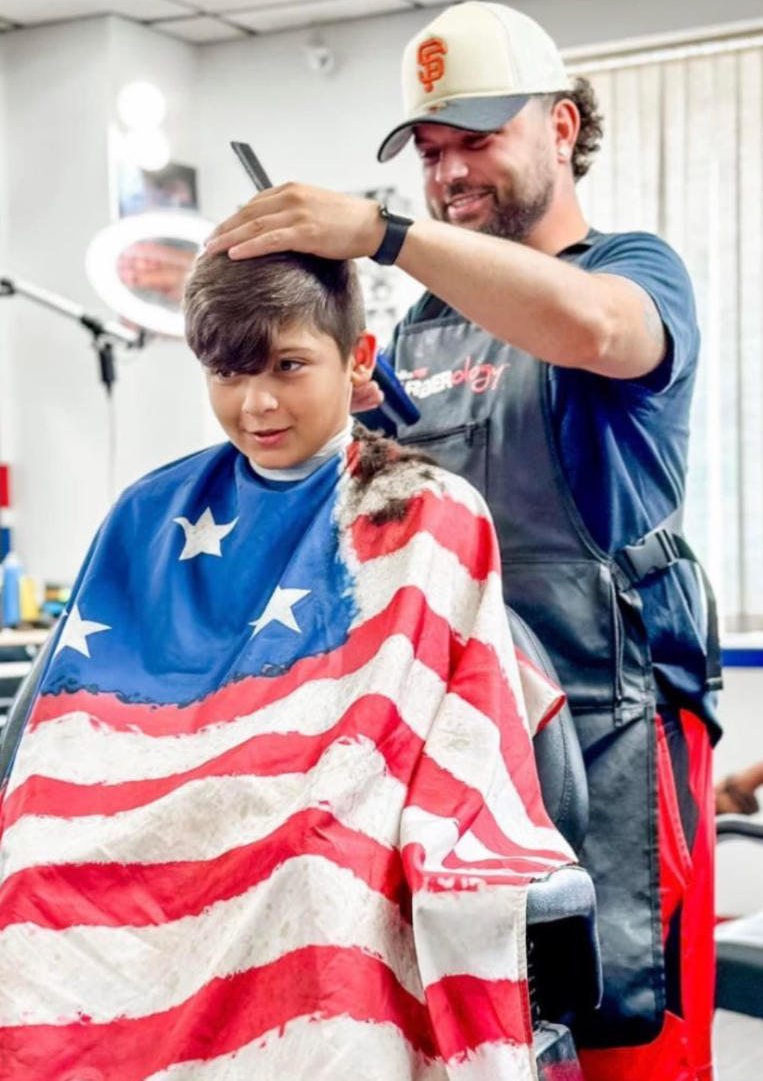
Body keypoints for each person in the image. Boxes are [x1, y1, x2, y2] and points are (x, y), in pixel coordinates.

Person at [206, 0, 722, 1081]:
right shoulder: (426, 327)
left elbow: (591, 328)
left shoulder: (634, 270)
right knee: (480, 1040)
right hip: (459, 746)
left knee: (623, 1035)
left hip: (607, 729)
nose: (450, 173)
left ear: (562, 126)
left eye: (476, 140)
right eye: (430, 151)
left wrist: (381, 234)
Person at [0, 248, 576, 1080]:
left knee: (316, 874)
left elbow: (407, 731)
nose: (256, 403)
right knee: (36, 867)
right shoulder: (149, 512)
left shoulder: (421, 511)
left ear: (359, 359)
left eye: (288, 366)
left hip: (319, 808)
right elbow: (82, 728)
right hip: (160, 802)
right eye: (228, 374)